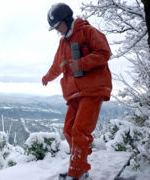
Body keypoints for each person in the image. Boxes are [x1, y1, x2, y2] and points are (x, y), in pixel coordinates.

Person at [42, 3, 112, 180]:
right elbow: (58, 65)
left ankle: (77, 172)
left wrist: (81, 63)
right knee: (68, 130)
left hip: (93, 90)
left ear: (67, 19)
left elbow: (104, 52)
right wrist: (47, 77)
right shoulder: (63, 43)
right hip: (74, 93)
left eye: (58, 25)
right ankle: (81, 165)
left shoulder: (88, 31)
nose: (57, 30)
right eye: (55, 27)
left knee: (79, 130)